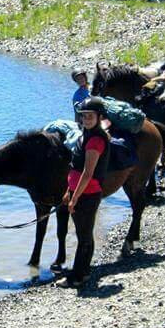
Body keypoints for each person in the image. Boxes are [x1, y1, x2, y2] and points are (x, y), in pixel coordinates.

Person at [53, 97, 110, 288]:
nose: (86, 119)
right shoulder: (86, 135)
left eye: (90, 116)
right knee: (84, 234)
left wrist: (75, 197)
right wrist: (69, 192)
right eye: (84, 116)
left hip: (87, 194)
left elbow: (87, 173)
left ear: (99, 117)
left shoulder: (95, 141)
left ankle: (77, 277)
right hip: (80, 192)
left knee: (83, 236)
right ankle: (83, 271)